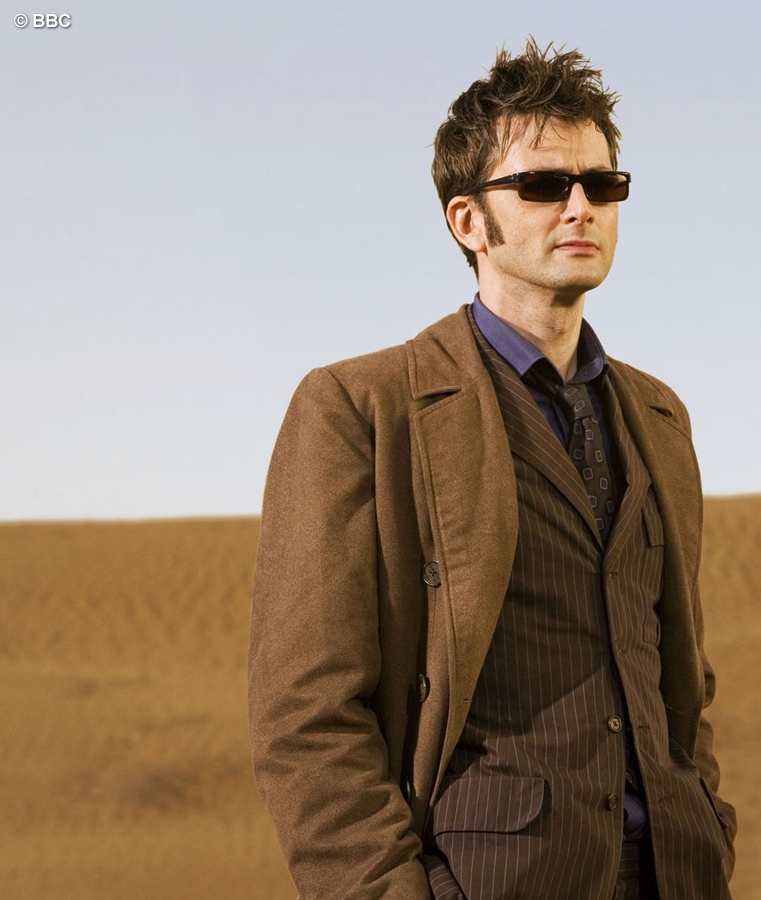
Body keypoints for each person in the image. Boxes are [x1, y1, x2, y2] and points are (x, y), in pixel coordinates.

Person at [247, 39, 736, 900]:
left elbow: (680, 677)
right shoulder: (363, 409)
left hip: (675, 873)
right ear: (469, 222)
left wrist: (708, 822)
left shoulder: (659, 415)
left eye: (603, 185)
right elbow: (305, 716)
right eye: (544, 185)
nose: (581, 207)